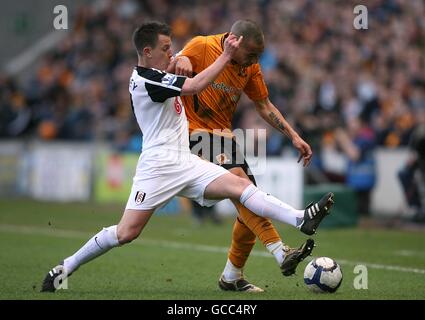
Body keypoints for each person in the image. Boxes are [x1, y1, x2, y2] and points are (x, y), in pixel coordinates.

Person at [41, 21, 333, 292]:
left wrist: (181, 58)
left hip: (187, 159)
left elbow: (187, 62)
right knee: (126, 232)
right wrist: (221, 56)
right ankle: (67, 265)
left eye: (172, 47)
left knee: (243, 188)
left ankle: (300, 219)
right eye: (166, 49)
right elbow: (193, 85)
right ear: (147, 52)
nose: (172, 52)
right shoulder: (147, 80)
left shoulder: (166, 69)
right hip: (159, 166)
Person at [170, 19, 334, 292]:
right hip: (192, 132)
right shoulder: (201, 45)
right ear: (234, 41)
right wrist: (181, 58)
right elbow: (175, 63)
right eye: (252, 54)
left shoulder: (250, 67)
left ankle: (232, 276)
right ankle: (282, 249)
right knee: (243, 189)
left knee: (251, 199)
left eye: (259, 55)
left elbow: (264, 105)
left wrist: (293, 135)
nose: (255, 61)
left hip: (224, 137)